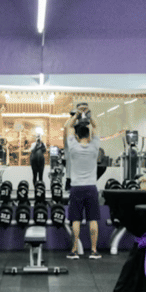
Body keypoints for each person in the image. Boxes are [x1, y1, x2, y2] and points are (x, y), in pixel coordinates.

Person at [63, 102, 102, 260]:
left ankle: (74, 251)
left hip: (76, 188)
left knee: (76, 220)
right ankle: (94, 251)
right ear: (89, 135)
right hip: (91, 188)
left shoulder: (73, 147)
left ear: (77, 136)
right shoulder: (94, 146)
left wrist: (77, 115)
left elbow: (68, 127)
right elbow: (96, 126)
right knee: (93, 219)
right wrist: (89, 115)